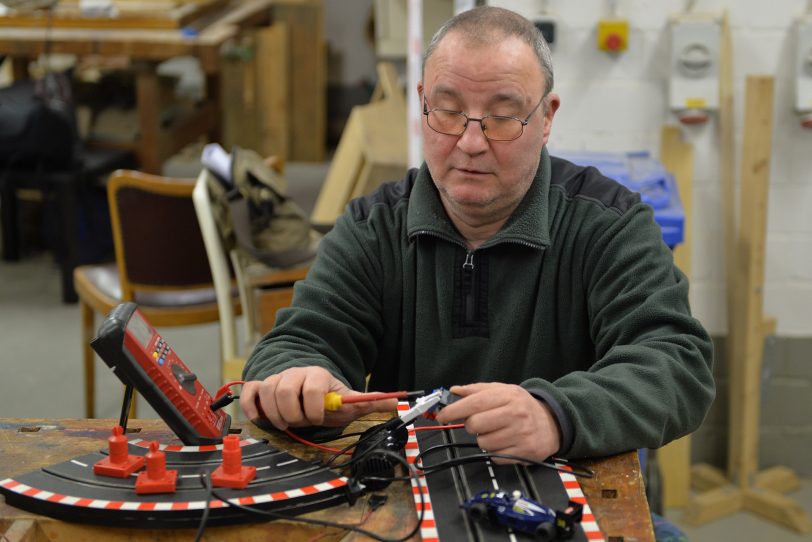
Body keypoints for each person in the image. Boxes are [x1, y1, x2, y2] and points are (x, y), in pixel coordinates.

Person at [240, 6, 715, 462]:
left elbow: (676, 364)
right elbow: (294, 344)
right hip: (409, 490)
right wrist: (297, 381)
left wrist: (558, 415)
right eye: (446, 111)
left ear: (546, 118)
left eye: (503, 117)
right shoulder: (373, 226)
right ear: (422, 102)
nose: (470, 143)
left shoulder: (608, 225)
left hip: (570, 488)